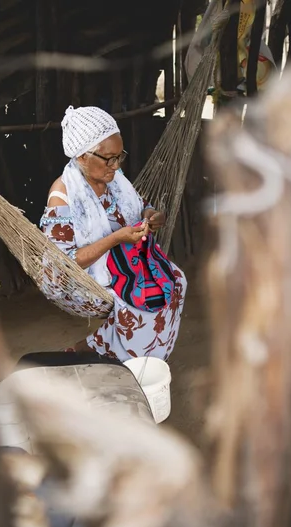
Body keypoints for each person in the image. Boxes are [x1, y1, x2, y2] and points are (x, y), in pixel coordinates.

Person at [39, 105, 187, 362]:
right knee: (140, 307)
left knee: (176, 282)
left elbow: (142, 207)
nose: (116, 165)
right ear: (82, 156)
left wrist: (151, 217)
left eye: (120, 157)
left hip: (123, 262)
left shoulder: (114, 178)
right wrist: (117, 238)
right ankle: (129, 363)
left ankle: (102, 348)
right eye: (109, 158)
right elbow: (62, 266)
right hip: (85, 280)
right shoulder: (62, 196)